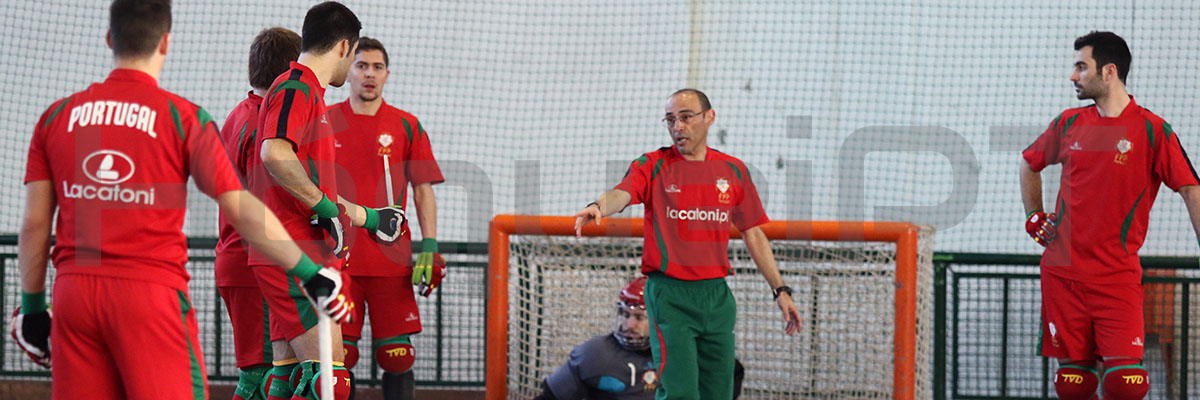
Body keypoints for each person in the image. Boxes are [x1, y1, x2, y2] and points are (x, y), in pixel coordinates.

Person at [12, 1, 349, 399]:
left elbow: (35, 223)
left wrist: (31, 306)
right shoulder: (182, 117)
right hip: (150, 293)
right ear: (166, 43)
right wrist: (310, 271)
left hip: (74, 294)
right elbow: (243, 208)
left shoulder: (57, 117)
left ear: (108, 39)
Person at [573, 89, 802, 399]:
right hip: (670, 295)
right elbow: (623, 192)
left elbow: (753, 233)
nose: (677, 127)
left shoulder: (733, 171)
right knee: (680, 393)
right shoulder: (653, 164)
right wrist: (598, 205)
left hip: (716, 296)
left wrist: (781, 291)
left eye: (685, 117)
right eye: (670, 120)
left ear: (709, 117)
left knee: (718, 393)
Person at [1019, 31, 1200, 400]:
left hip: (1117, 279)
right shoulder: (1069, 123)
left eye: (1081, 67)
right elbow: (1028, 163)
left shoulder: (1152, 130)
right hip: (1063, 274)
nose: (1074, 76)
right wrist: (1034, 215)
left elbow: (1191, 188)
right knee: (1073, 384)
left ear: (1109, 72)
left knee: (1125, 385)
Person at [243, 3, 404, 400]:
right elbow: (274, 154)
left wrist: (367, 217)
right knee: (329, 382)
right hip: (291, 250)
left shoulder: (302, 91)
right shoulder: (297, 86)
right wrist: (326, 209)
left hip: (290, 248)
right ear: (345, 48)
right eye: (354, 59)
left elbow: (309, 183)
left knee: (287, 381)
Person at [331, 37, 446, 400]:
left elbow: (423, 188)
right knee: (338, 356)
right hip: (338, 260)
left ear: (387, 74)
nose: (369, 74)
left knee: (397, 356)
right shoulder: (324, 121)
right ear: (348, 72)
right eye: (362, 65)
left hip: (391, 259)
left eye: (377, 67)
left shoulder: (406, 125)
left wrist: (429, 246)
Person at [216, 26, 302, 400]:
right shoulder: (264, 125)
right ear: (290, 70)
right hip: (256, 263)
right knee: (263, 380)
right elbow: (268, 204)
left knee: (269, 376)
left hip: (239, 259)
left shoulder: (239, 114)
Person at [535, 277, 746, 400]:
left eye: (638, 317)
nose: (629, 325)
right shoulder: (596, 354)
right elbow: (548, 397)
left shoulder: (688, 351)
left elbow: (731, 373)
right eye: (625, 315)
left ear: (661, 317)